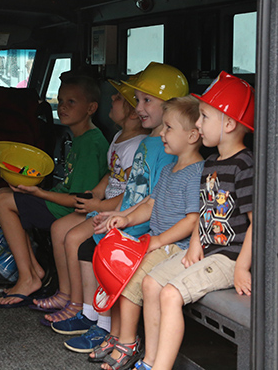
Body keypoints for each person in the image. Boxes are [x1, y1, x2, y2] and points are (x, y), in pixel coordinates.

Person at [59, 63, 187, 356]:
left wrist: (128, 223)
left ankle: (106, 328)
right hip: (127, 221)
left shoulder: (163, 149)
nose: (138, 108)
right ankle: (100, 322)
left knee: (110, 260)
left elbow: (156, 199)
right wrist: (118, 216)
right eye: (137, 100)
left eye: (146, 101)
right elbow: (133, 191)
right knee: (97, 252)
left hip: (141, 229)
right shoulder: (150, 142)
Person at [134, 72, 254, 370]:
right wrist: (194, 246)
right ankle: (149, 361)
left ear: (228, 124)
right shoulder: (211, 163)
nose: (198, 125)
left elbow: (256, 222)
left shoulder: (245, 166)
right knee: (151, 284)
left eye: (204, 117)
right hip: (206, 250)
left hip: (230, 256)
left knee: (172, 294)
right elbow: (205, 210)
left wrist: (241, 266)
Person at [30, 76, 149, 324]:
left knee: (73, 238)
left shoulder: (139, 145)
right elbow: (111, 173)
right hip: (104, 206)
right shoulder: (118, 138)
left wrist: (99, 205)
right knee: (58, 228)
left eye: (118, 99)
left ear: (134, 115)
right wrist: (96, 192)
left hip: (118, 210)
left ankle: (77, 303)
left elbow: (130, 192)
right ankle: (65, 293)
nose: (112, 100)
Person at [98, 96, 205, 370]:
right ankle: (122, 336)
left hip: (176, 247)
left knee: (133, 279)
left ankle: (129, 342)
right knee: (117, 268)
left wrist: (158, 240)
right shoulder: (170, 169)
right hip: (157, 243)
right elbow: (150, 203)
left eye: (168, 128)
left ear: (193, 135)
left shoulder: (196, 173)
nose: (162, 134)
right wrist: (125, 216)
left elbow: (193, 220)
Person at [0, 73, 109, 307]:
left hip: (69, 213)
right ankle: (34, 270)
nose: (62, 107)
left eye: (71, 102)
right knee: (5, 194)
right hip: (60, 205)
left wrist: (39, 193)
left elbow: (79, 199)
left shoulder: (90, 144)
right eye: (60, 101)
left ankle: (28, 277)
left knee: (3, 200)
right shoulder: (80, 138)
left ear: (91, 108)